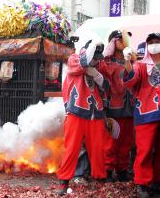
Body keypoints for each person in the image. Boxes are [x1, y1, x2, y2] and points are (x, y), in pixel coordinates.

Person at [56, 40, 108, 196]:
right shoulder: (74, 58)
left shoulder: (99, 65)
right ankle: (64, 181)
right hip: (76, 112)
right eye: (94, 56)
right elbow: (80, 65)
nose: (96, 60)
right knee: (71, 149)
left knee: (98, 149)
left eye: (98, 57)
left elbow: (108, 87)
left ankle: (100, 179)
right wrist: (89, 51)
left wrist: (98, 76)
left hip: (96, 113)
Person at [123, 33, 160, 198]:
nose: (154, 45)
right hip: (146, 112)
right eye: (151, 42)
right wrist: (127, 62)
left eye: (157, 42)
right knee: (144, 151)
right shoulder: (141, 65)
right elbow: (130, 80)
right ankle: (142, 183)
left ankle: (158, 181)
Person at [102, 30, 135, 182]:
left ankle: (122, 170)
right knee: (111, 142)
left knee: (126, 142)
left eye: (125, 39)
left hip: (129, 108)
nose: (124, 41)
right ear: (113, 42)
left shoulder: (132, 60)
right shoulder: (106, 62)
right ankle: (108, 170)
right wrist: (106, 53)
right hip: (113, 108)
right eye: (120, 39)